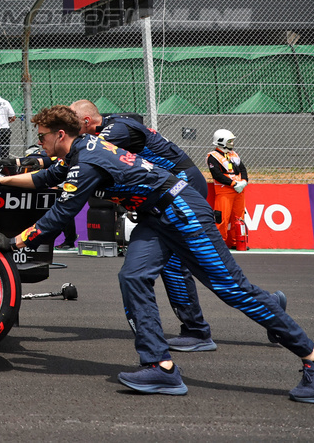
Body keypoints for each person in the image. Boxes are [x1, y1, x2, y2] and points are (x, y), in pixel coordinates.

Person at [0, 106, 314, 401]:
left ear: (59, 134)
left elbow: (61, 214)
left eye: (41, 137)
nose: (39, 142)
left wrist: (13, 242)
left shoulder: (87, 159)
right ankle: (160, 367)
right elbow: (45, 178)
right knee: (132, 276)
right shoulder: (82, 150)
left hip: (181, 211)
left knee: (232, 290)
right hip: (157, 216)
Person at [68, 100, 215, 352]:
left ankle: (197, 331)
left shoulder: (114, 130)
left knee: (178, 263)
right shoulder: (110, 127)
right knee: (193, 261)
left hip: (182, 185)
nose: (68, 129)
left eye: (71, 123)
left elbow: (84, 158)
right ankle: (264, 305)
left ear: (86, 121)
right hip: (167, 189)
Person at [207, 129, 248, 248]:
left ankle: (236, 242)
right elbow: (217, 175)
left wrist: (244, 181)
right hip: (224, 191)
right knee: (222, 219)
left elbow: (243, 169)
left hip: (239, 191)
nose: (232, 144)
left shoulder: (234, 154)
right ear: (221, 142)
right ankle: (220, 244)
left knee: (239, 217)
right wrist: (233, 184)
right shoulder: (213, 157)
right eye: (229, 141)